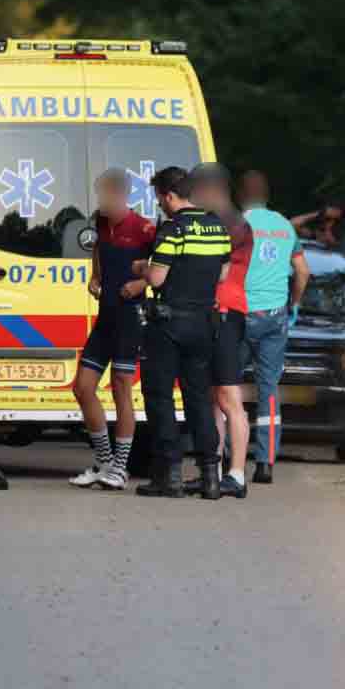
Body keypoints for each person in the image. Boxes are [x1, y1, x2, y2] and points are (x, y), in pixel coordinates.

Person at [132, 166, 231, 500]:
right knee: (199, 399)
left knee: (159, 397)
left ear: (168, 195)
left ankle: (169, 476)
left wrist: (142, 268)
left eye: (160, 197)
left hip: (168, 324)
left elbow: (157, 279)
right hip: (203, 323)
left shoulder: (174, 229)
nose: (159, 204)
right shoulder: (217, 226)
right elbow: (223, 273)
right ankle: (209, 477)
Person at [69, 170, 158, 491]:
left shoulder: (145, 228)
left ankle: (120, 468)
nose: (100, 200)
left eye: (104, 194)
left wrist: (141, 283)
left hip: (130, 318)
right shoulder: (101, 222)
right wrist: (95, 277)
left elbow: (165, 264)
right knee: (82, 387)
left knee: (121, 387)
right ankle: (104, 462)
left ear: (121, 194)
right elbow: (98, 250)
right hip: (105, 318)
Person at [236, 170, 312, 484]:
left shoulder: (237, 226)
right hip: (275, 316)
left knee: (229, 387)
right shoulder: (284, 225)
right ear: (267, 195)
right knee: (269, 389)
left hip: (240, 314)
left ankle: (231, 457)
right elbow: (303, 272)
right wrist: (293, 304)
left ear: (241, 195)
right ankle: (265, 463)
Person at [186, 163, 253, 499]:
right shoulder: (218, 221)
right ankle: (212, 470)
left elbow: (220, 272)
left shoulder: (234, 224)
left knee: (229, 397)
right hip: (211, 312)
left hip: (226, 313)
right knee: (215, 399)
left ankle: (237, 475)